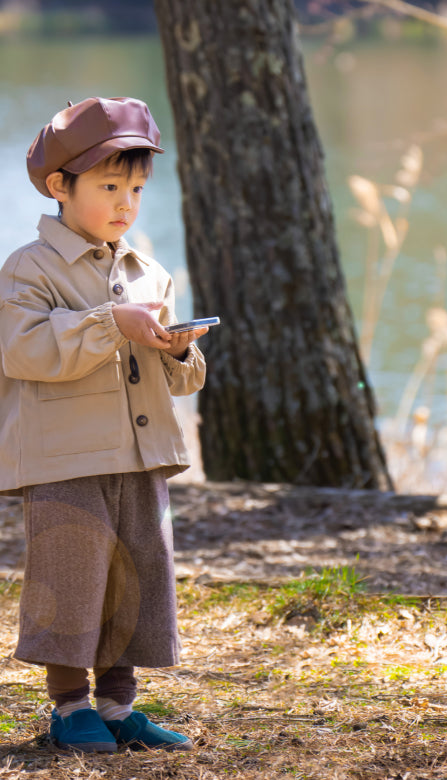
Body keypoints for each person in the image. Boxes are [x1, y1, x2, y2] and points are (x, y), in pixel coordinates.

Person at [0, 97, 208, 752]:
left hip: (139, 455)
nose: (125, 203)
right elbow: (24, 349)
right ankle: (69, 708)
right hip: (66, 458)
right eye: (109, 186)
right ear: (60, 186)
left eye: (137, 189)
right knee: (72, 575)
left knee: (135, 576)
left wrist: (178, 349)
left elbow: (177, 376)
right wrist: (110, 324)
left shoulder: (148, 272)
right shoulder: (29, 269)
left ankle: (118, 706)